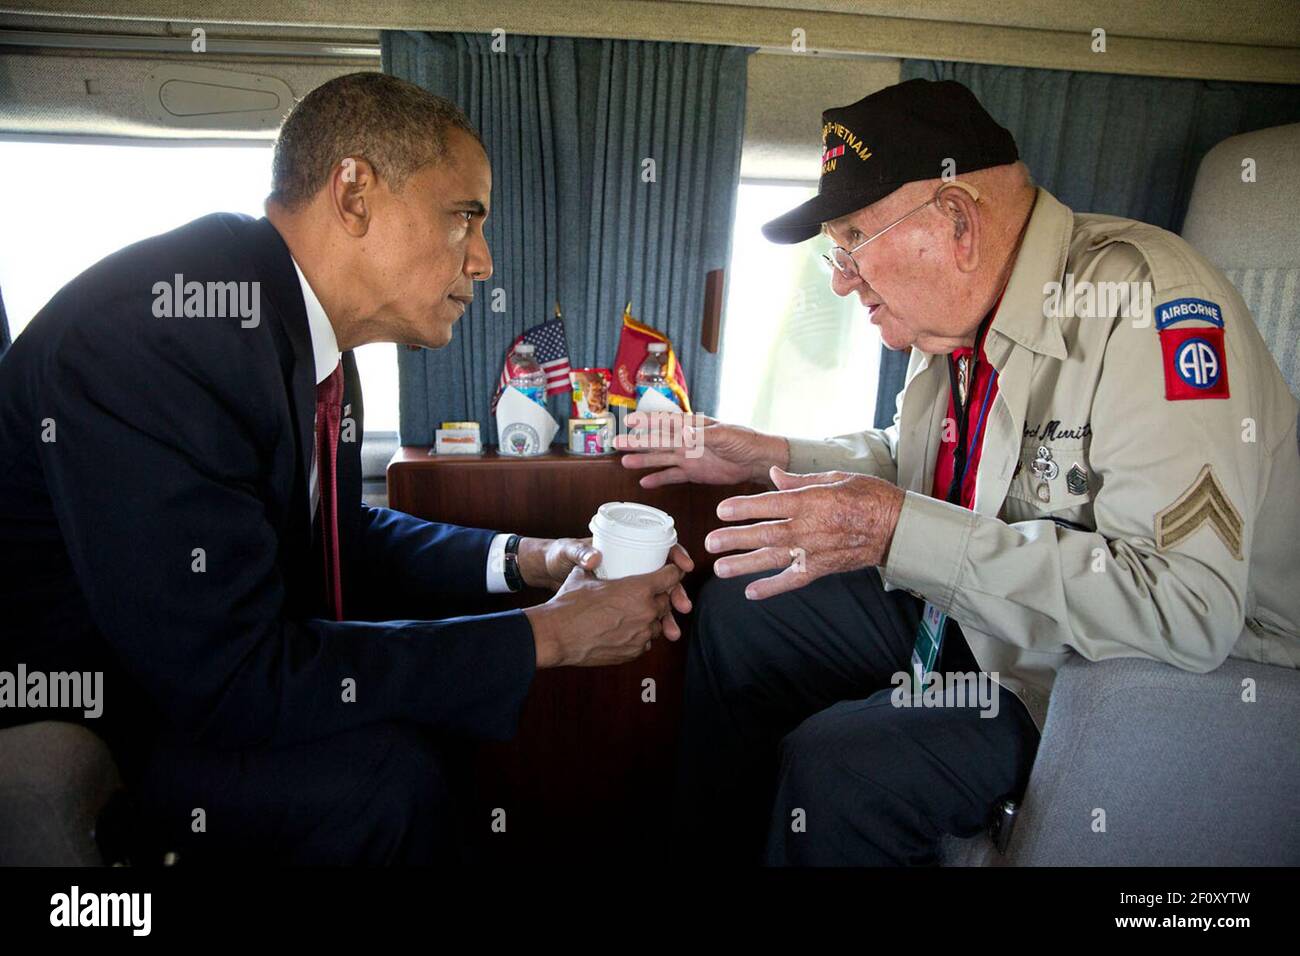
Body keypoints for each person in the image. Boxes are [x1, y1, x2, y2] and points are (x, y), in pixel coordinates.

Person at [0, 72, 692, 864]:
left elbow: (339, 532)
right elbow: (229, 677)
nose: (484, 262)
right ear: (355, 193)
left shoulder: (310, 343)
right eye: (463, 216)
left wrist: (535, 561)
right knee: (387, 779)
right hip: (108, 705)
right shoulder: (163, 334)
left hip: (193, 675)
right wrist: (549, 637)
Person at [616, 78, 1300, 865]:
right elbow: (935, 461)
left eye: (852, 242)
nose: (841, 279)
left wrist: (893, 529)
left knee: (839, 767)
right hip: (992, 616)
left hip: (1116, 673)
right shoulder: (958, 316)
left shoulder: (1145, 306)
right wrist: (772, 454)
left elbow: (1187, 608)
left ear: (955, 223)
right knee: (738, 612)